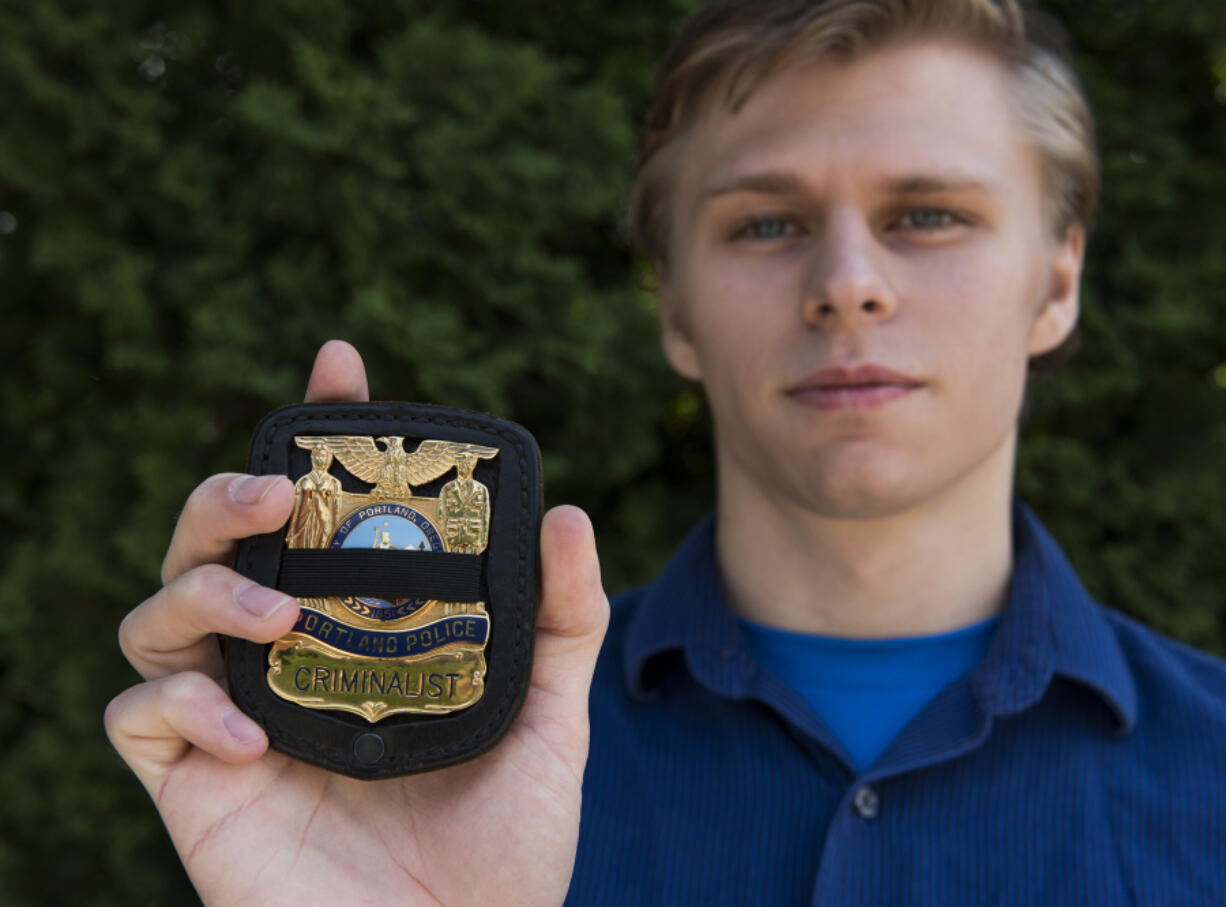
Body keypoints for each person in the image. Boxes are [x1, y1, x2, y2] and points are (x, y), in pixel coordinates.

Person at [105, 1, 1226, 904]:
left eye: (927, 213)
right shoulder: (428, 755)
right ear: (674, 308)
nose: (847, 283)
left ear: (1059, 278)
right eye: (763, 223)